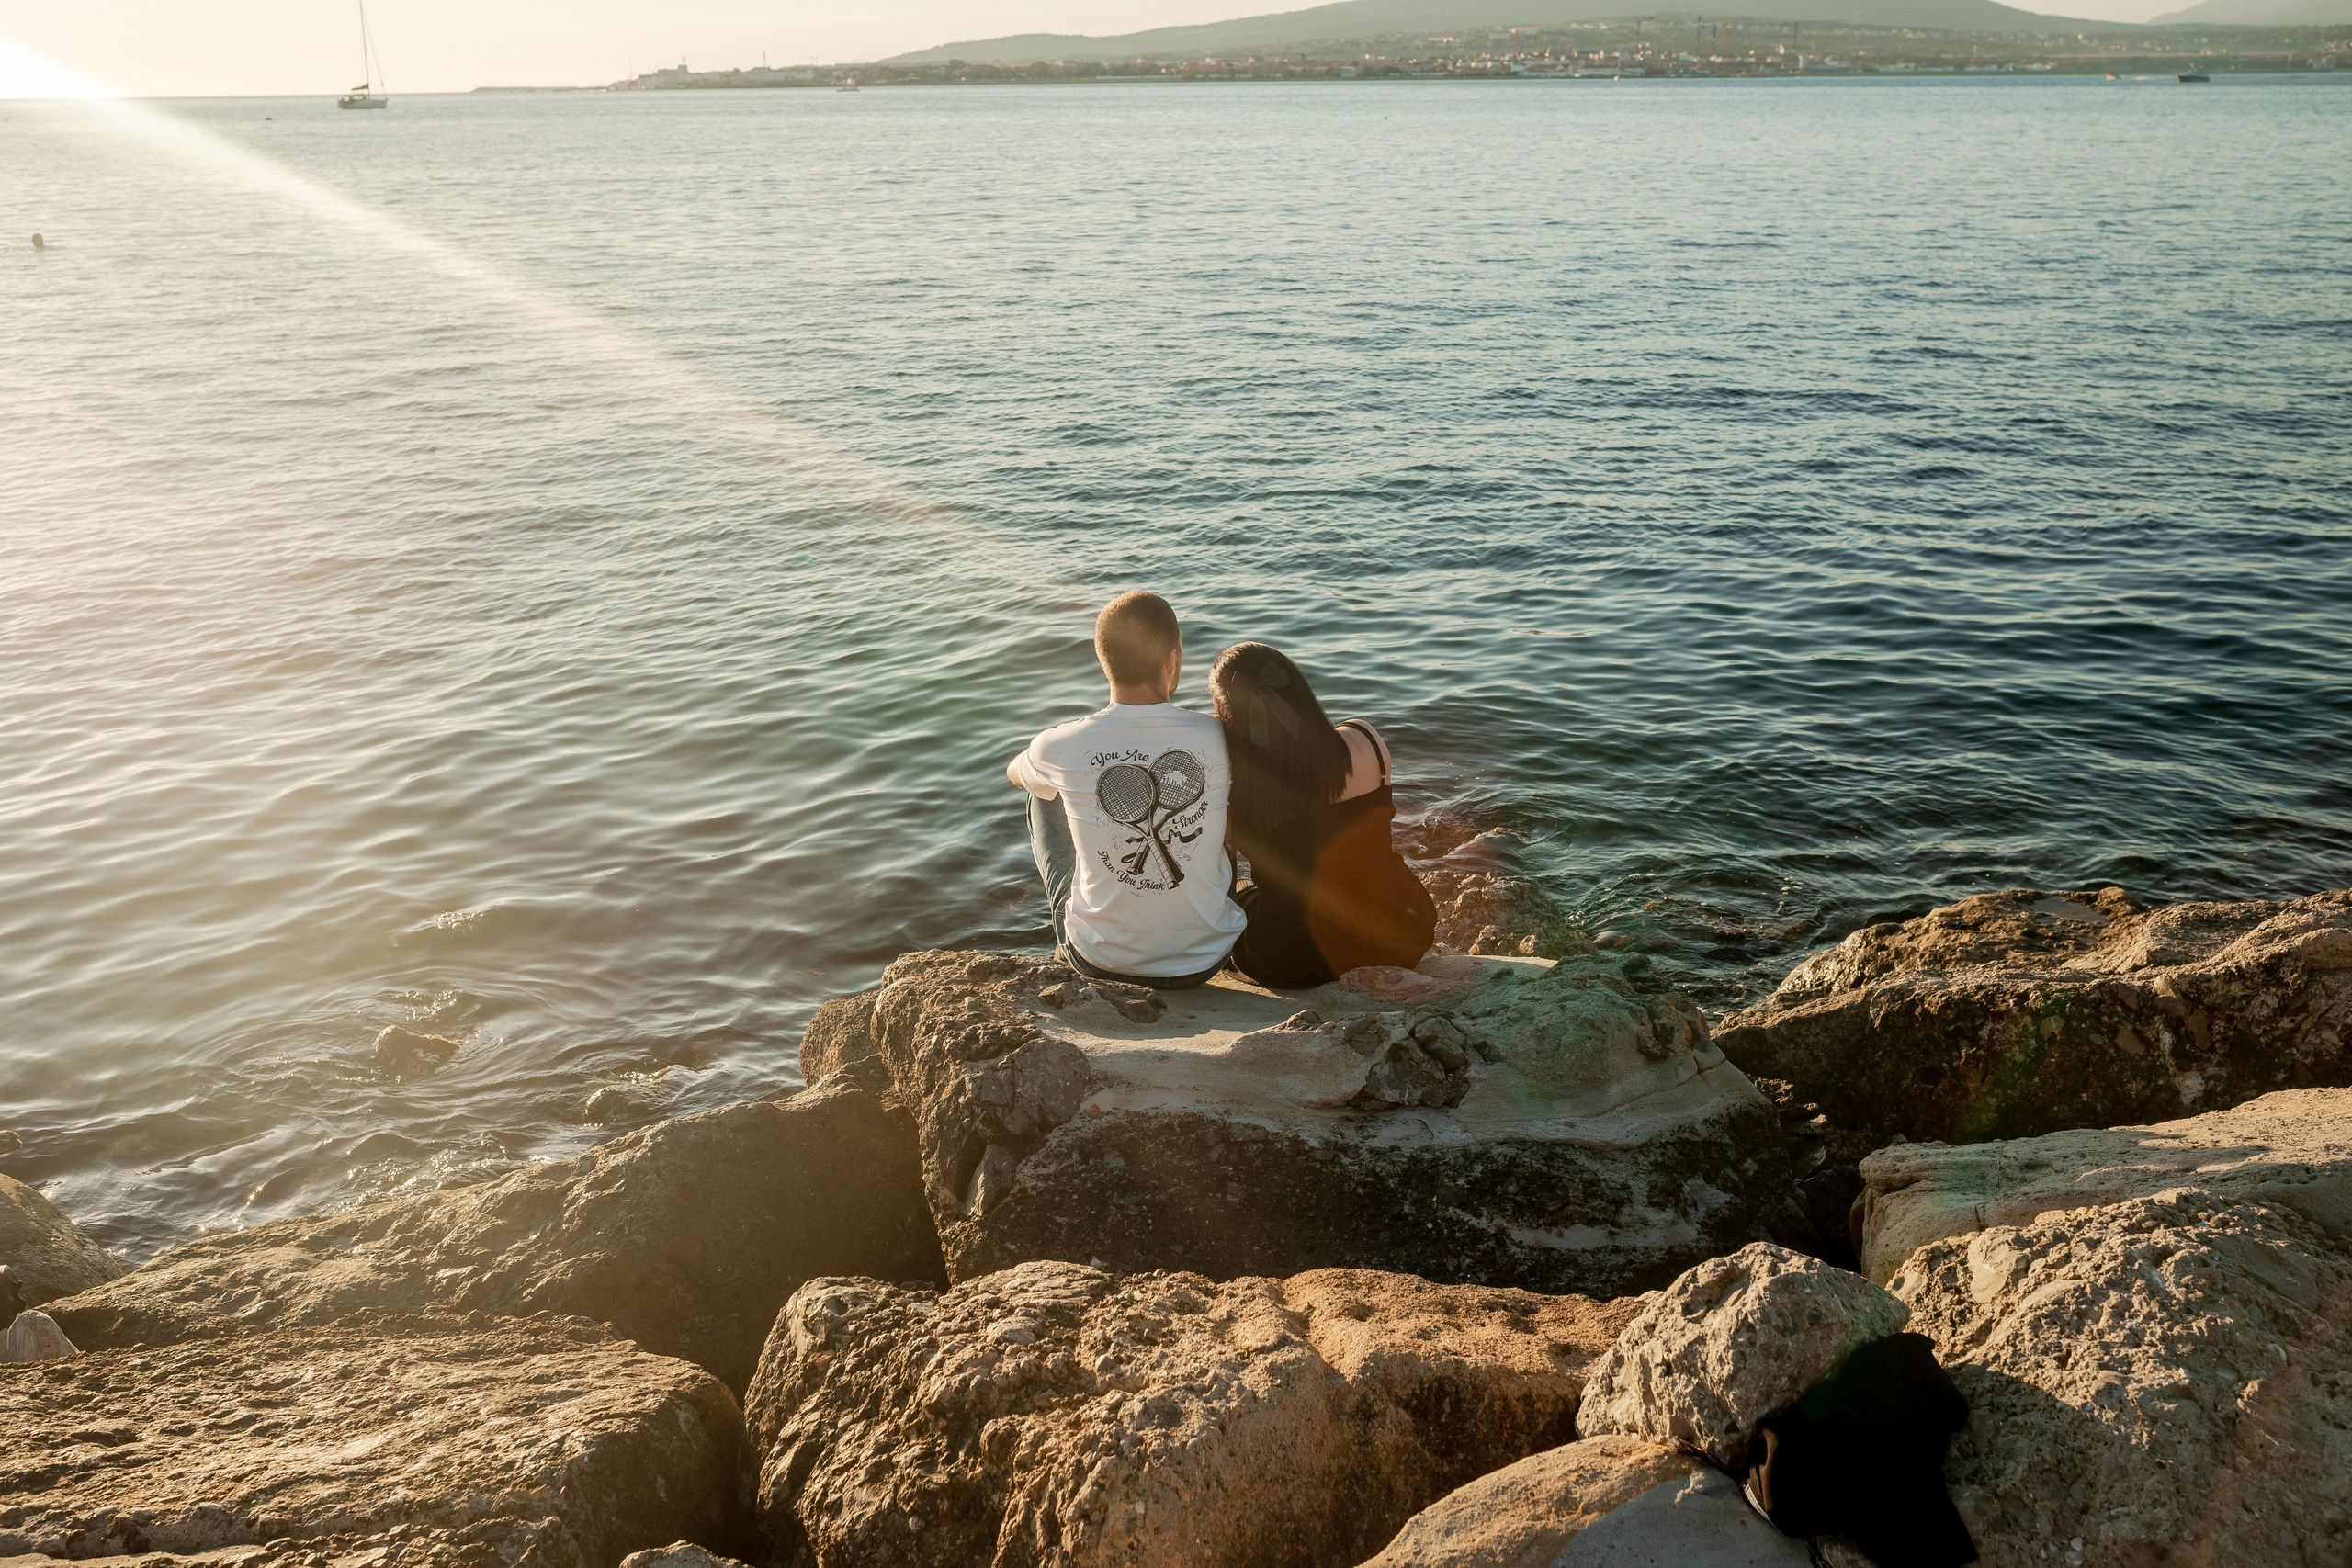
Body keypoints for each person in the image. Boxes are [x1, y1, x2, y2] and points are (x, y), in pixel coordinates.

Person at [1007, 592, 1246, 987]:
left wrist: (1046, 763)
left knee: (1040, 790)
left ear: (1105, 664)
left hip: (1101, 960)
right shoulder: (1220, 734)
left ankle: (1102, 922)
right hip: (1208, 960)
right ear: (1173, 662)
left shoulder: (1061, 742)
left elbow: (1014, 772)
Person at [1208, 642, 1436, 988]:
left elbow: (1212, 859)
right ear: (1298, 689)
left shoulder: (1234, 786)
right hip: (1400, 932)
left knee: (1238, 891)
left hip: (1292, 957)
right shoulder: (1366, 739)